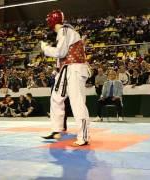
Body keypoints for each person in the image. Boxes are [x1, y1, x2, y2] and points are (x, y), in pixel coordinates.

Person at [40, 10, 91, 146]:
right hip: (66, 69)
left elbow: (60, 52)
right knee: (56, 98)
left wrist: (45, 48)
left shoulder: (65, 31)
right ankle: (56, 129)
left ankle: (83, 136)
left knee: (77, 102)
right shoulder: (66, 32)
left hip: (74, 69)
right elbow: (63, 55)